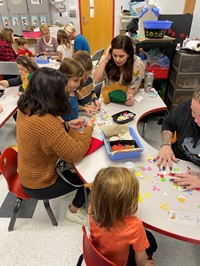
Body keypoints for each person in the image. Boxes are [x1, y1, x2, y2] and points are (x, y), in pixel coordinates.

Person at [16, 67, 94, 225]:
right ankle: (74, 210)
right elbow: (75, 153)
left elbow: (45, 136)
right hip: (40, 184)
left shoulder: (26, 108)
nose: (65, 97)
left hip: (27, 174)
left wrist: (66, 124)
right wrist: (89, 129)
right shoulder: (45, 121)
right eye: (63, 94)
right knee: (91, 176)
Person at [89, 167, 157, 266]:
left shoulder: (92, 209)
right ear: (129, 202)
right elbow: (140, 261)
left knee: (147, 236)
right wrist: (145, 263)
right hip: (118, 263)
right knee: (150, 238)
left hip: (99, 255)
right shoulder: (135, 225)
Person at [155, 85, 200, 190]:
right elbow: (168, 123)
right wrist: (166, 145)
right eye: (193, 112)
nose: (196, 120)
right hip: (177, 161)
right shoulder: (185, 107)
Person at [93, 35, 145, 106]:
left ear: (129, 54)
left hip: (123, 102)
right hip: (107, 101)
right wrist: (105, 59)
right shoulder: (108, 59)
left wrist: (130, 95)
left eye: (121, 56)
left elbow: (133, 87)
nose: (117, 59)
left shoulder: (138, 65)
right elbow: (95, 79)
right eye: (115, 55)